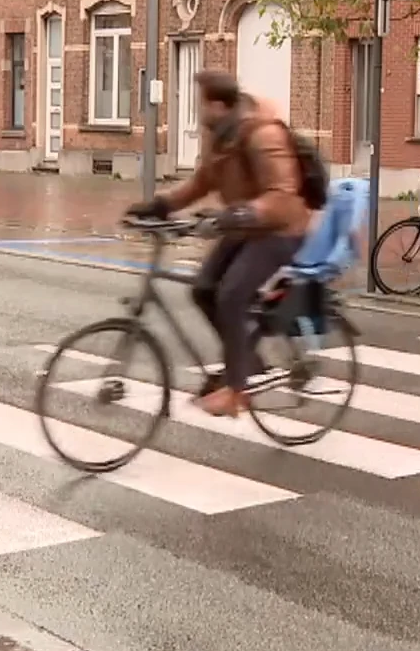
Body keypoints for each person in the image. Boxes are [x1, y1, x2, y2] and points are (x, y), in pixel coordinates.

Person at [128, 72, 308, 417]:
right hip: (244, 227)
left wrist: (241, 213)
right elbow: (201, 182)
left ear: (218, 105)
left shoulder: (262, 134)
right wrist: (161, 205)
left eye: (202, 103)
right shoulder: (218, 138)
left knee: (231, 295)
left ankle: (237, 391)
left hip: (282, 230)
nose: (198, 111)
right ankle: (249, 362)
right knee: (203, 288)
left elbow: (283, 196)